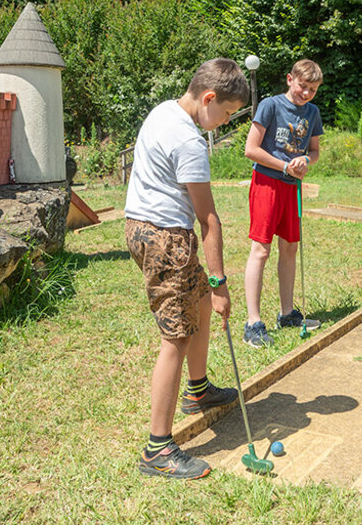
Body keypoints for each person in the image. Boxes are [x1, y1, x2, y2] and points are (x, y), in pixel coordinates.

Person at [125, 58, 250, 478]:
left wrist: (206, 289)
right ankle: (157, 448)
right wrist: (219, 283)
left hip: (140, 228)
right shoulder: (190, 141)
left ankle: (197, 392)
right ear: (209, 98)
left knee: (194, 304)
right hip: (166, 240)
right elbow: (209, 219)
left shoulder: (163, 110)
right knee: (175, 337)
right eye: (228, 113)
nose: (226, 121)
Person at [241, 59, 324, 347]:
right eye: (303, 86)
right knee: (260, 250)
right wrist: (284, 166)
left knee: (289, 247)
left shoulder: (312, 112)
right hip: (266, 183)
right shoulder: (270, 105)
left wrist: (304, 161)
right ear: (290, 79)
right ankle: (253, 322)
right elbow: (250, 149)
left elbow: (313, 151)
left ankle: (287, 314)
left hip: (292, 187)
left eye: (312, 89)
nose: (306, 93)